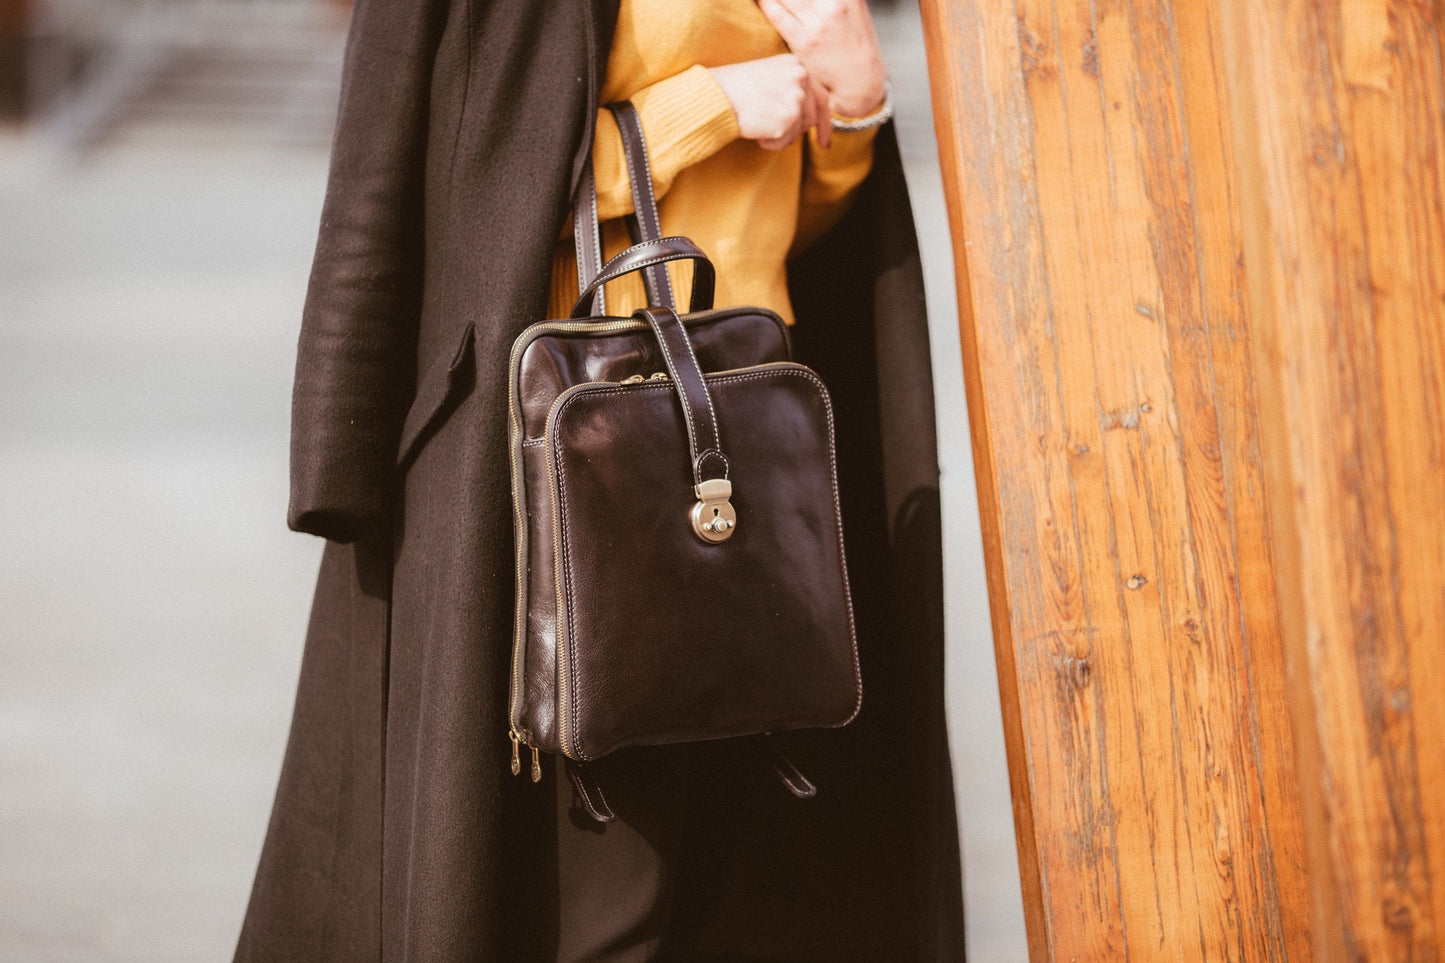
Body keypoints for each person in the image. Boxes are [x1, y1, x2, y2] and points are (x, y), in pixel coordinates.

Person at [236, 0, 964, 959]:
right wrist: (710, 106)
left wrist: (855, 96)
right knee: (590, 886)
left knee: (751, 874)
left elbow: (796, 223)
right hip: (561, 457)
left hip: (748, 441)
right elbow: (471, 183)